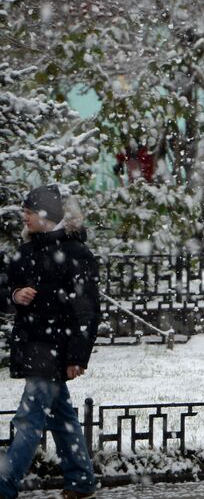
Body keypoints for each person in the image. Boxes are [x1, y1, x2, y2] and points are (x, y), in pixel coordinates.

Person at [0, 186, 100, 499]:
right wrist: (15, 295)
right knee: (61, 415)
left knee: (29, 419)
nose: (24, 216)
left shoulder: (76, 253)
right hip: (32, 346)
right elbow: (3, 290)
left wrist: (77, 356)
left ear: (46, 215)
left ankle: (5, 484)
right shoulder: (25, 252)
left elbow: (86, 309)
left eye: (29, 211)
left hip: (56, 348)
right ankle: (81, 480)